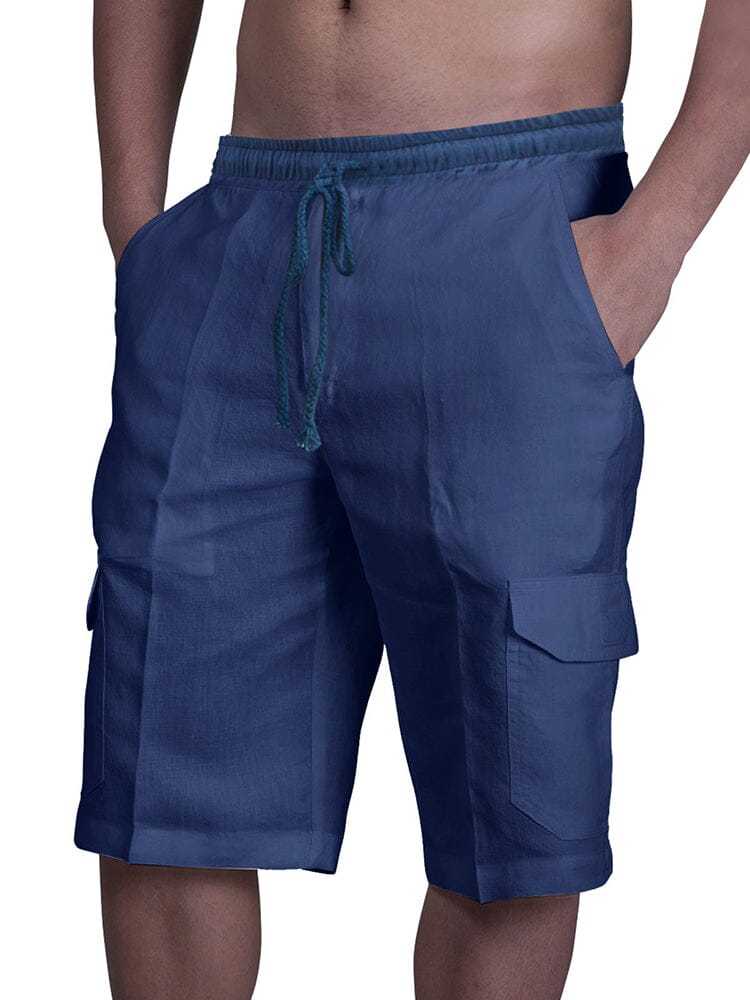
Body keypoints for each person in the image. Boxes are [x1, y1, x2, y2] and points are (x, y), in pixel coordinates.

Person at [76, 2, 749, 997]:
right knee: (164, 799)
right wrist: (138, 231)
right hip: (240, 236)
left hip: (514, 229)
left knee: (509, 828)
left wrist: (650, 246)